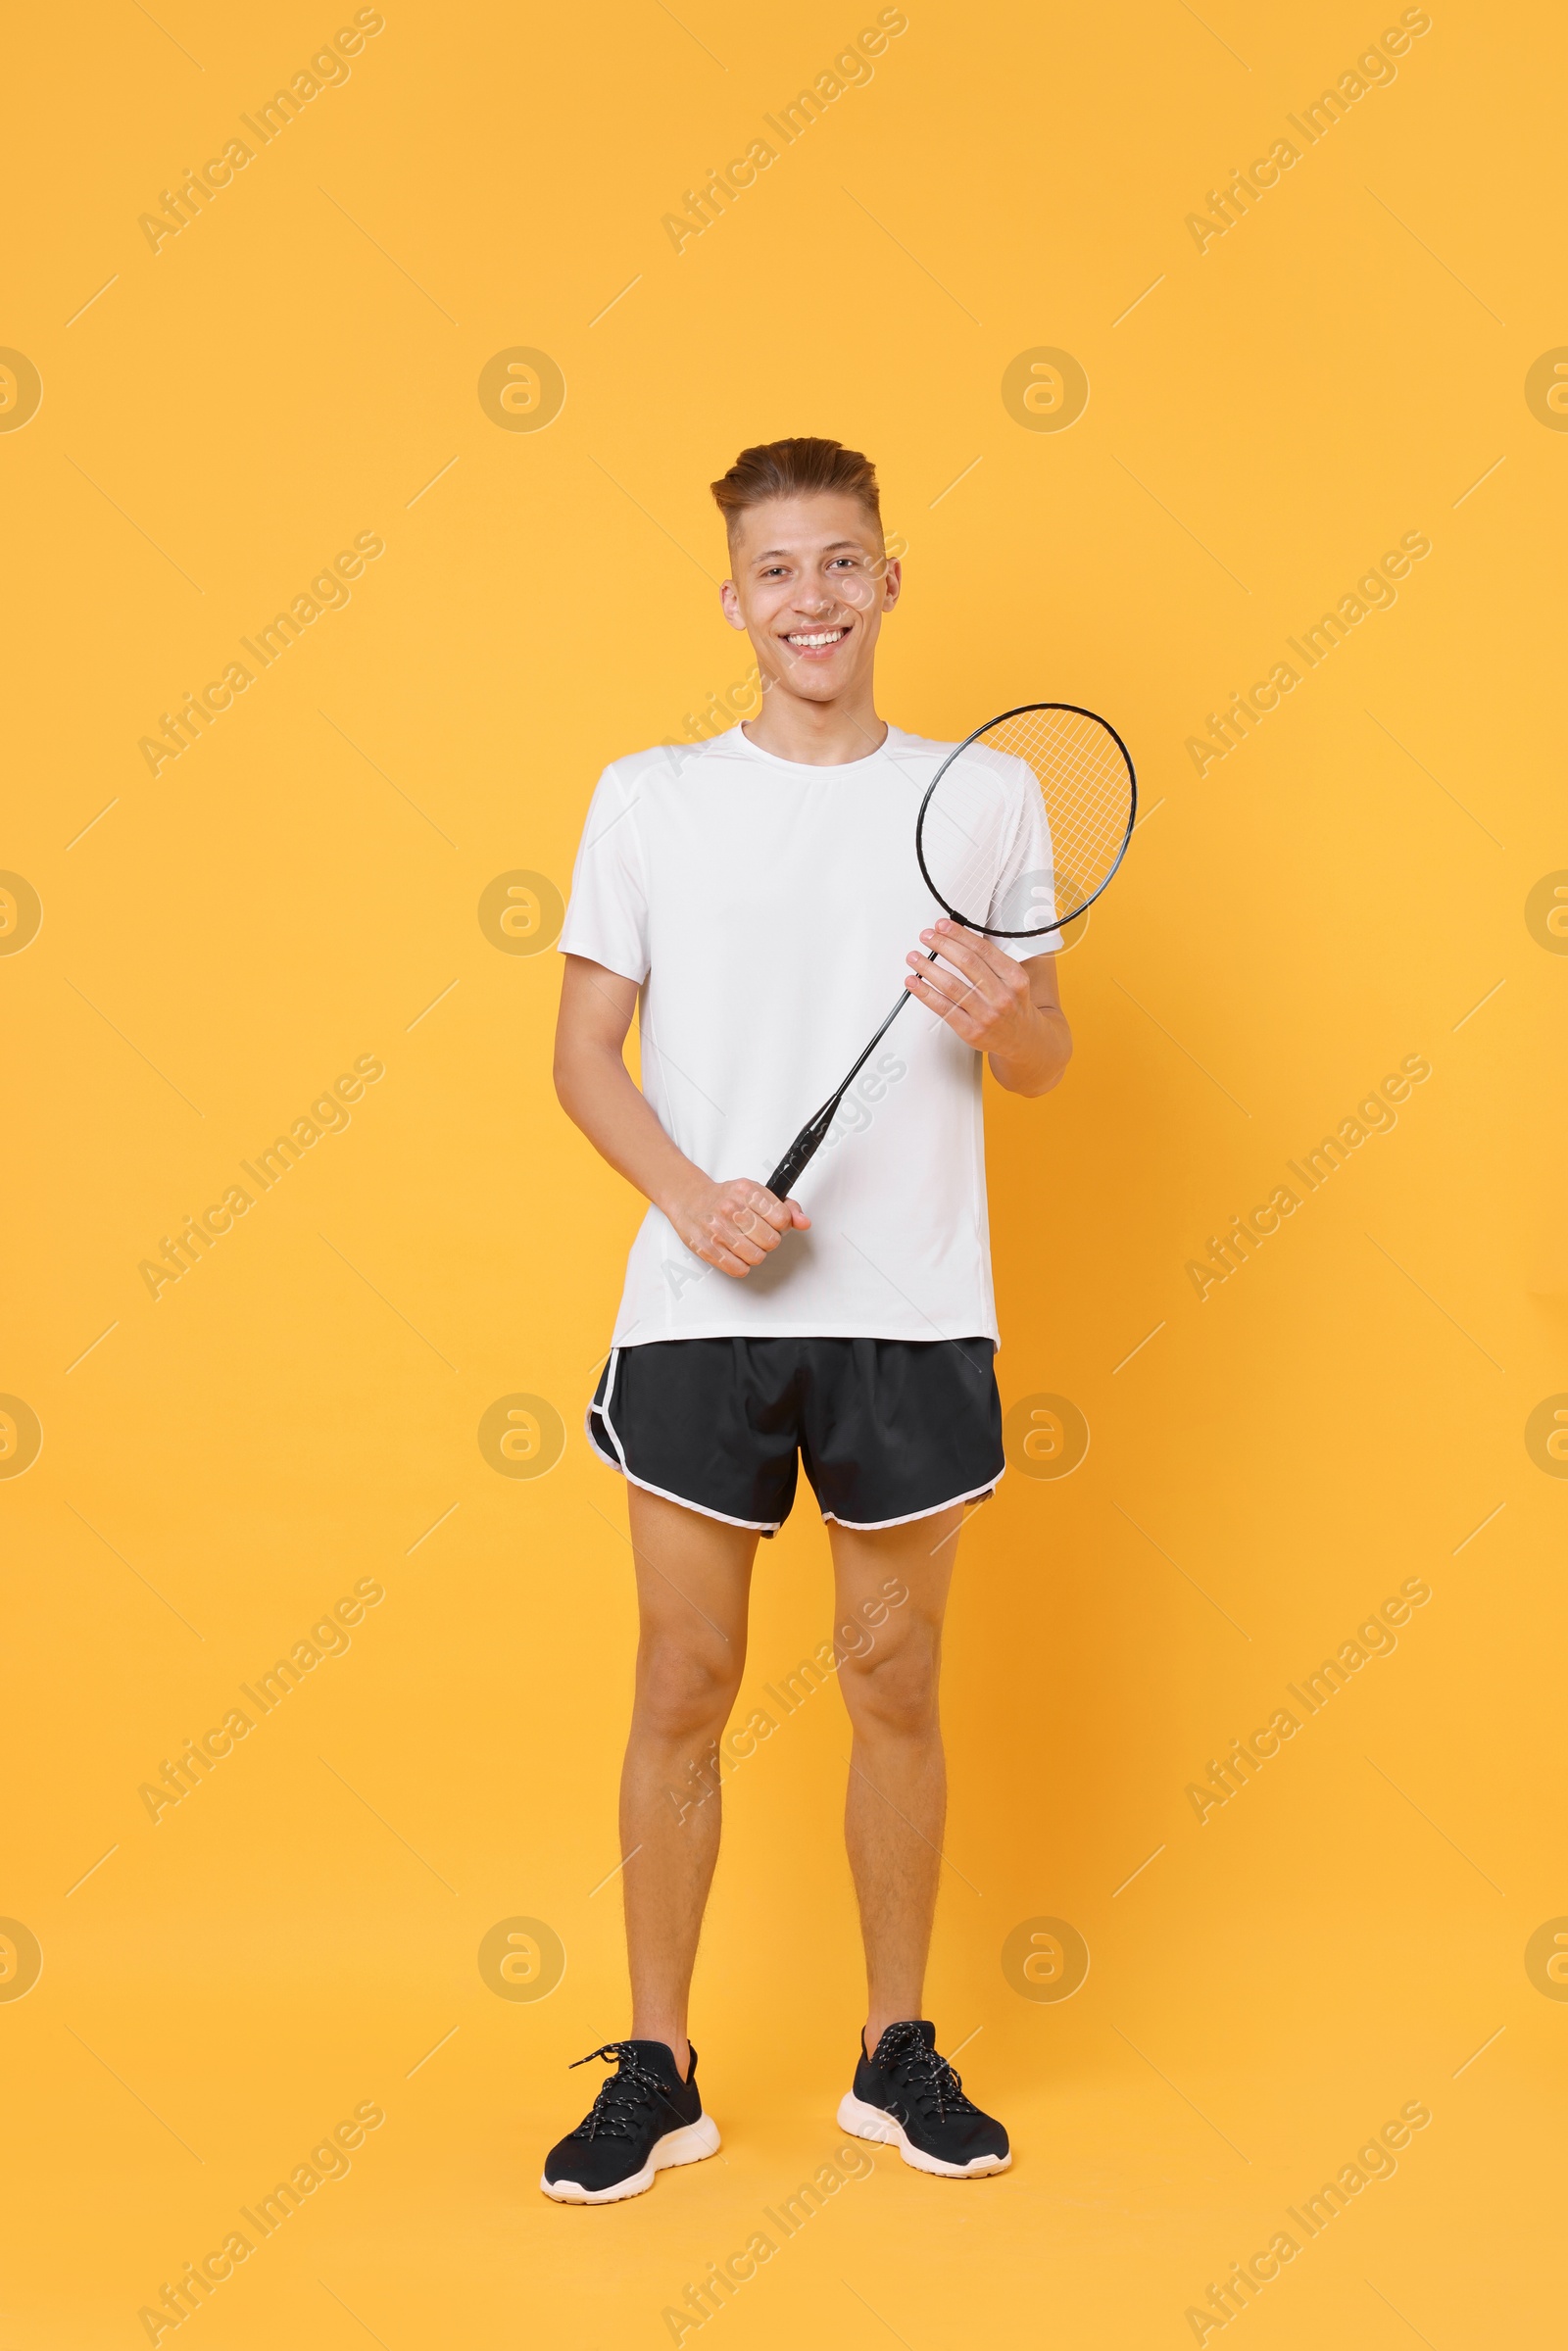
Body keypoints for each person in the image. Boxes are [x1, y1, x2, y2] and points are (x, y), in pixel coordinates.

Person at [542, 437, 1071, 2203]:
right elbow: (579, 1054)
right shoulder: (650, 795)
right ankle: (660, 2068)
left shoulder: (985, 798)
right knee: (684, 1678)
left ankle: (892, 2052)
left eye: (842, 562)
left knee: (894, 1680)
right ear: (732, 599)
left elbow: (1050, 1056)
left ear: (889, 579)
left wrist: (1004, 1012)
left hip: (910, 1308)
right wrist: (695, 1199)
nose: (812, 598)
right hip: (705, 1306)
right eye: (776, 569)